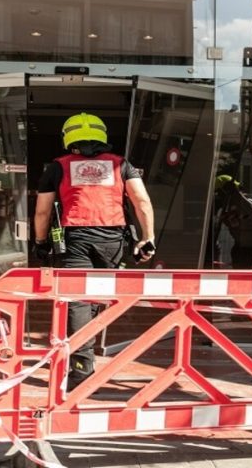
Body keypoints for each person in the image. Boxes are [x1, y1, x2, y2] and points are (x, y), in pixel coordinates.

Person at [33, 112, 156, 391]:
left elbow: (42, 212)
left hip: (75, 238)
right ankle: (83, 355)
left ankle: (81, 367)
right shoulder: (121, 164)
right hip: (112, 239)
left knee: (78, 301)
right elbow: (142, 201)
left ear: (68, 137)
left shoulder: (57, 167)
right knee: (95, 299)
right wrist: (147, 238)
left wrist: (40, 242)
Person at [211, 174, 252, 269]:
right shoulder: (228, 203)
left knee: (243, 259)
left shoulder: (243, 198)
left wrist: (236, 194)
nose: (218, 195)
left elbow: (251, 210)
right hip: (242, 239)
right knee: (236, 255)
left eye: (219, 192)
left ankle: (245, 276)